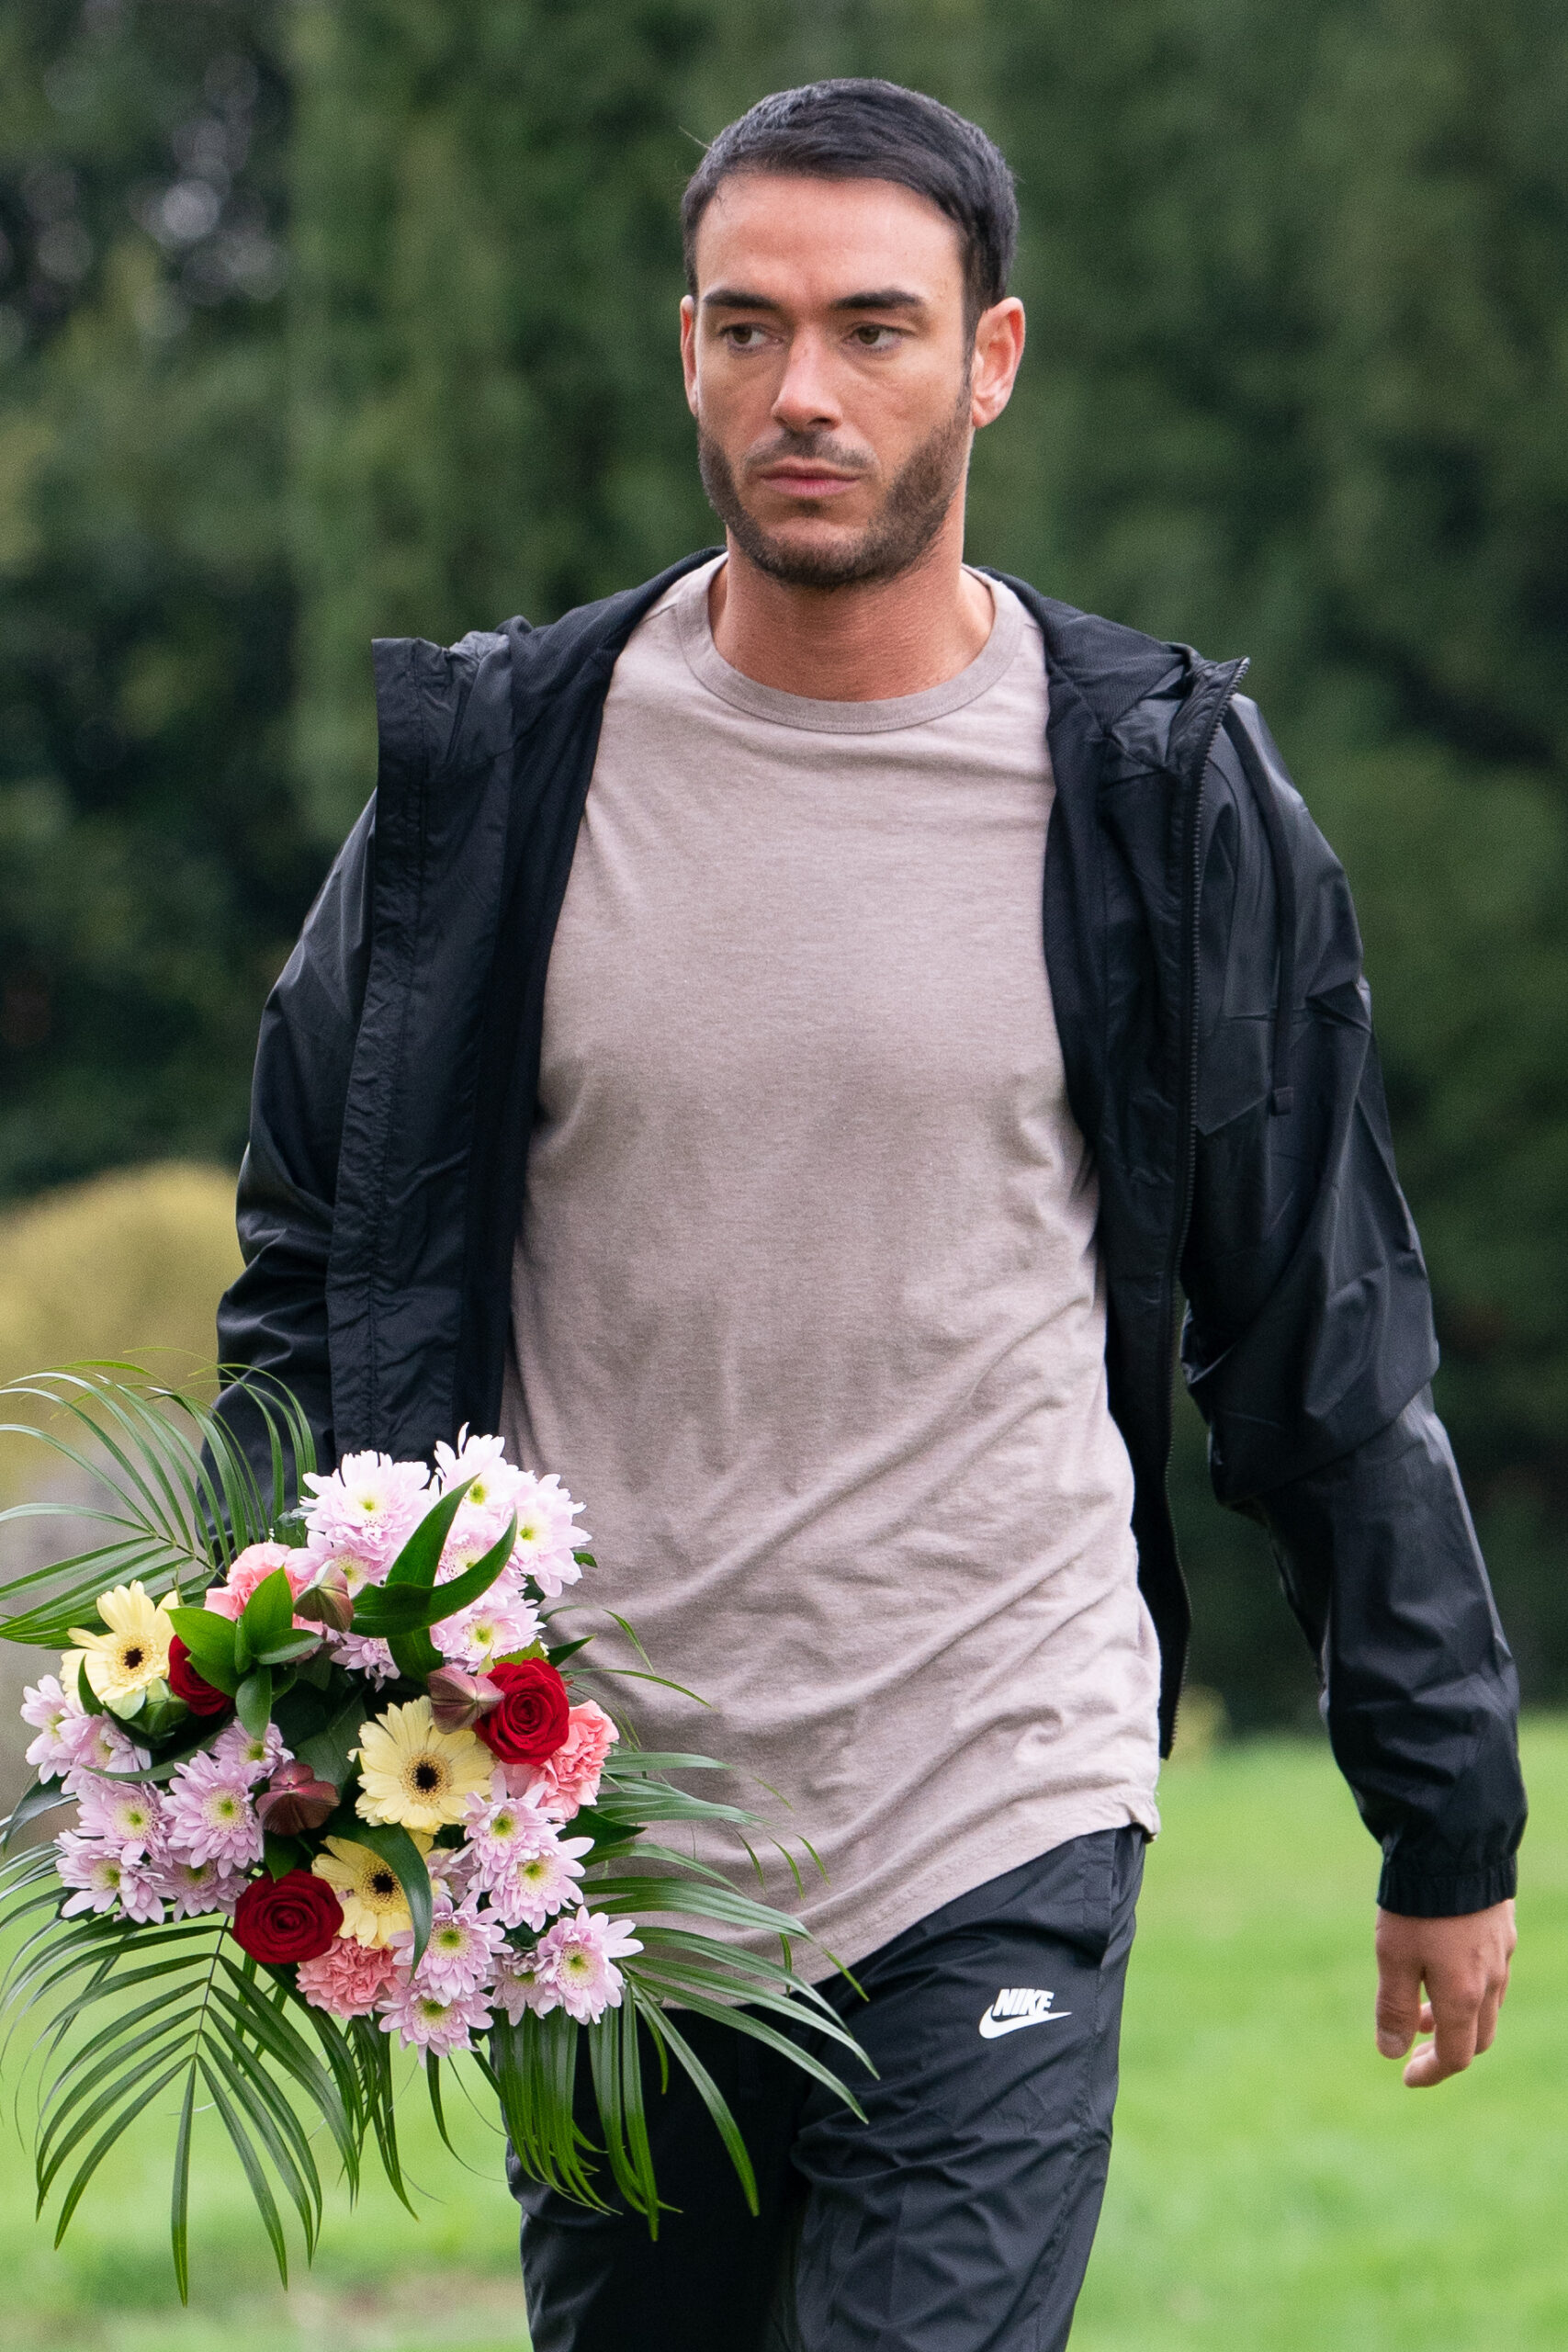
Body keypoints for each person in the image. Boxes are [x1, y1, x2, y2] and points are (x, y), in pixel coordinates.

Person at [218, 78, 1526, 2352]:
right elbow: (315, 1253)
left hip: (992, 1775)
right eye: (746, 327)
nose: (799, 390)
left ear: (989, 359)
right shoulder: (501, 777)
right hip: (597, 1843)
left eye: (870, 329)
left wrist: (1441, 1805)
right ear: (686, 349)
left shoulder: (1154, 789)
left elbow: (1316, 1314)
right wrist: (291, 1707)